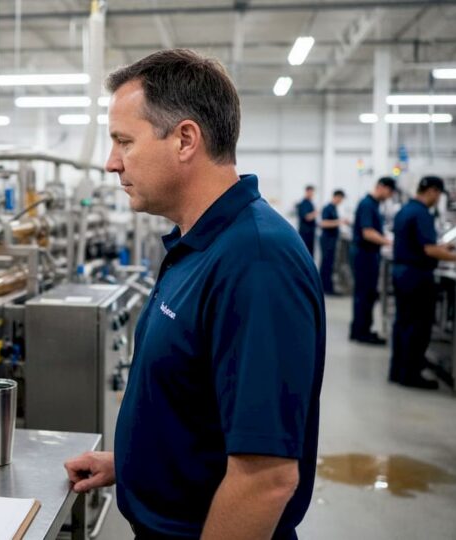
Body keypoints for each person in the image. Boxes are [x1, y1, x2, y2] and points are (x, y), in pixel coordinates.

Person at [62, 49, 325, 540]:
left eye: (124, 141)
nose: (111, 162)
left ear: (185, 139)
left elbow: (265, 478)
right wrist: (135, 462)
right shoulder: (199, 244)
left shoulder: (256, 261)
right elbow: (202, 406)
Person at [389, 176, 456, 389]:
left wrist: (443, 247)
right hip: (417, 276)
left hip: (401, 273)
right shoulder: (422, 213)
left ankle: (398, 371)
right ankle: (411, 375)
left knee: (402, 324)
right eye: (438, 195)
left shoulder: (405, 210)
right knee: (418, 326)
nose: (437, 199)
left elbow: (419, 243)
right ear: (433, 191)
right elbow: (428, 249)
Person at [349, 177, 396, 345]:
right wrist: (390, 242)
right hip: (365, 255)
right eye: (389, 192)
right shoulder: (368, 204)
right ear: (381, 187)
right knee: (365, 293)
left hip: (369, 254)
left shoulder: (373, 204)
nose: (389, 197)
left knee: (366, 294)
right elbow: (367, 232)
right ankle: (362, 332)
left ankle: (360, 330)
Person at [319, 190, 347, 295]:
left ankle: (328, 286)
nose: (341, 201)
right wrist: (339, 222)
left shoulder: (334, 208)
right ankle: (325, 288)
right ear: (336, 197)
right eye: (340, 198)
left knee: (330, 264)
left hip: (332, 239)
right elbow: (324, 223)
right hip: (327, 239)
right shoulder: (328, 208)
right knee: (326, 263)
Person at [296, 185, 317, 255]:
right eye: (310, 192)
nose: (311, 194)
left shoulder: (310, 203)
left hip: (311, 232)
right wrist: (316, 213)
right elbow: (307, 217)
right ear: (306, 192)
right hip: (305, 233)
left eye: (312, 192)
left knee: (310, 253)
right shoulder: (303, 204)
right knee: (305, 252)